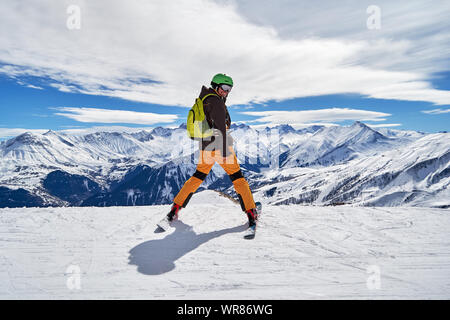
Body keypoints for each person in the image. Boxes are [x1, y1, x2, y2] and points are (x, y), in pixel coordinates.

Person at [163, 73, 258, 229]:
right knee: (238, 178)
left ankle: (175, 208)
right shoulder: (216, 102)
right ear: (216, 86)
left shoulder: (204, 99)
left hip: (206, 146)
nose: (226, 92)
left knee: (198, 177)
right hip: (220, 146)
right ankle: (251, 212)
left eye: (229, 89)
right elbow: (220, 128)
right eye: (224, 88)